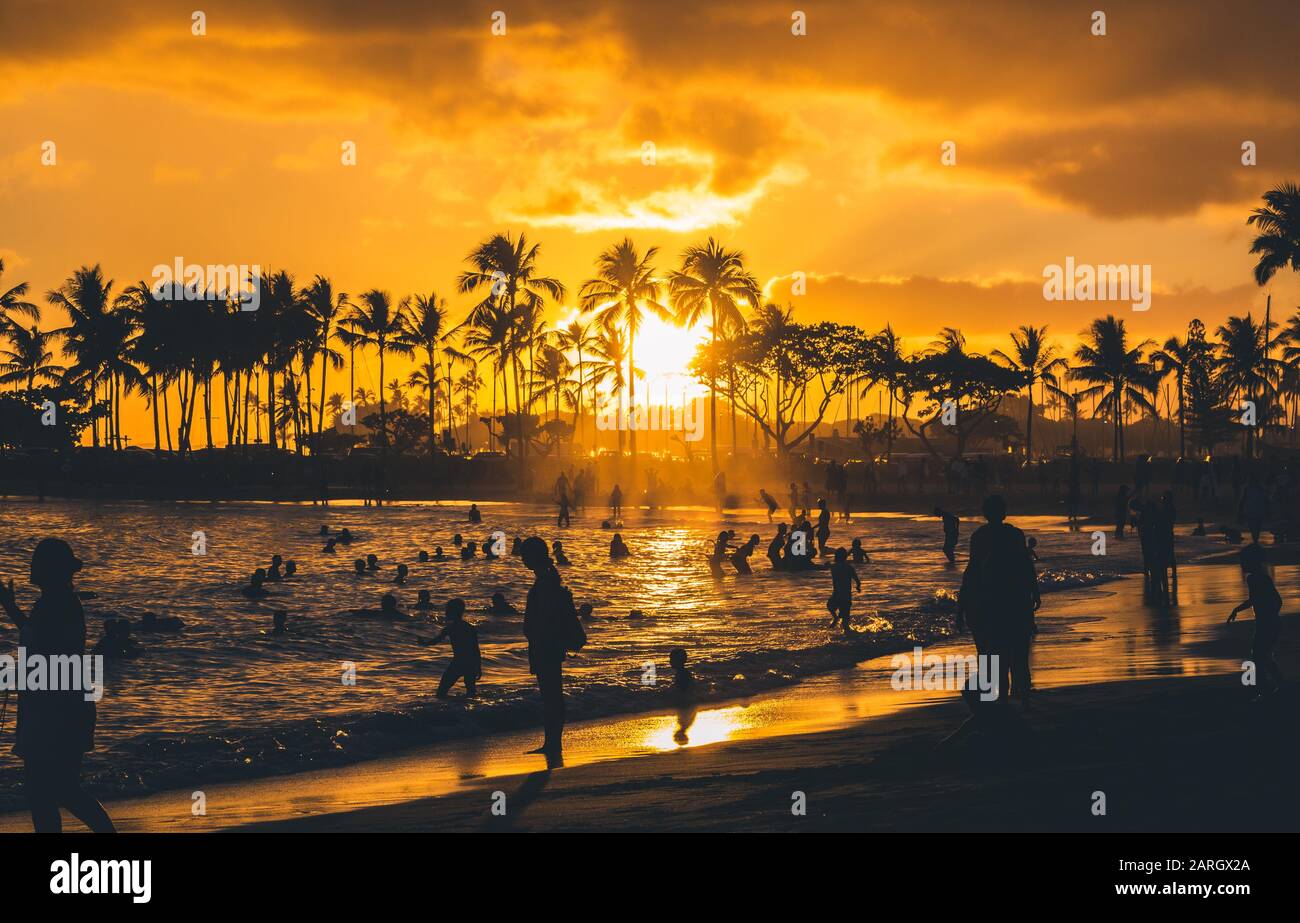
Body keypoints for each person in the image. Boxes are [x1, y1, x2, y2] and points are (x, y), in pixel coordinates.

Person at [0, 539, 116, 832]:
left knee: (48, 791)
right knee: (57, 789)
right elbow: (40, 638)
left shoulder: (56, 603)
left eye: (38, 562)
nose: (32, 567)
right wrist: (10, 607)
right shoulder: (58, 601)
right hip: (60, 704)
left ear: (48, 569)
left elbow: (45, 647)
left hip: (54, 709)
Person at [957, 495, 1039, 706]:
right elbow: (1025, 566)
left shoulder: (979, 536)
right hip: (1015, 598)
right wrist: (1034, 590)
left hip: (989, 601)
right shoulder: (1014, 534)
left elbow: (972, 570)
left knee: (990, 653)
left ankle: (996, 699)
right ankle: (1021, 696)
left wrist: (961, 604)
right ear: (1003, 513)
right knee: (1018, 651)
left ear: (986, 513)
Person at [520, 537, 586, 760]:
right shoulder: (547, 579)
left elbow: (545, 620)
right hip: (548, 645)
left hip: (546, 646)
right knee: (552, 695)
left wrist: (538, 645)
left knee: (551, 696)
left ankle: (553, 744)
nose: (521, 559)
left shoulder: (544, 583)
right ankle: (552, 742)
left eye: (524, 555)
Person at [1227, 543, 1284, 698]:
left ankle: (1265, 688)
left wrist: (1265, 616)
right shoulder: (1264, 578)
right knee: (1262, 655)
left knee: (1258, 656)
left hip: (1265, 623)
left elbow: (1254, 599)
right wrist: (1271, 614)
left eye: (1243, 561)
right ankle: (1277, 684)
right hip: (1271, 622)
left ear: (1251, 562)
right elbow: (1277, 601)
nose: (1241, 564)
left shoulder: (1253, 579)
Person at [430, 598, 481, 698]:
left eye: (447, 610)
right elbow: (476, 649)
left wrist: (423, 643)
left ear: (453, 612)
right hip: (471, 662)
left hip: (458, 662)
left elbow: (436, 641)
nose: (445, 612)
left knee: (441, 693)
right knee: (471, 692)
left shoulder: (450, 628)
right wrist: (478, 666)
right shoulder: (469, 627)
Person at [827, 547, 862, 634]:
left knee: (830, 606)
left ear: (836, 557)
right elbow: (857, 580)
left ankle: (835, 617)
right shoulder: (849, 567)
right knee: (845, 622)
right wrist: (858, 587)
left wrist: (827, 565)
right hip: (846, 596)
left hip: (837, 595)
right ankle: (848, 638)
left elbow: (828, 566)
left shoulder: (834, 567)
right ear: (845, 557)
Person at [669, 646, 697, 744]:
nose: (670, 662)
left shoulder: (682, 674)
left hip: (687, 703)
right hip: (688, 703)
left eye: (671, 659)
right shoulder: (683, 672)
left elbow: (682, 690)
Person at [1240, 475, 1270, 544]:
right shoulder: (1260, 489)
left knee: (1253, 527)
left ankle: (1255, 540)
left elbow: (1243, 500)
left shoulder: (1247, 489)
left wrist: (1241, 511)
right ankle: (1255, 540)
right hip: (1258, 511)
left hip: (1251, 511)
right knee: (1257, 527)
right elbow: (1266, 500)